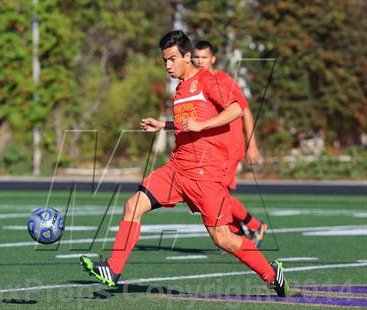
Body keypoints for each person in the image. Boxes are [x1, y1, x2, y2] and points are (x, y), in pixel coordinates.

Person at [80, 30, 289, 297]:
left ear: (187, 56)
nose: (168, 65)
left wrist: (204, 124)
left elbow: (236, 108)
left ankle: (272, 275)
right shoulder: (180, 88)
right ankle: (113, 269)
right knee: (133, 205)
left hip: (205, 174)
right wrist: (164, 125)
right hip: (178, 168)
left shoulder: (208, 81)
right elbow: (188, 123)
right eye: (165, 60)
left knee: (222, 238)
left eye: (173, 59)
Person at [193, 40, 267, 247]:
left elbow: (245, 110)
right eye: (196, 57)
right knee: (210, 194)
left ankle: (253, 226)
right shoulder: (194, 82)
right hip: (212, 149)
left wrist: (252, 144)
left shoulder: (222, 80)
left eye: (204, 57)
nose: (199, 61)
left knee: (217, 193)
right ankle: (238, 234)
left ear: (213, 59)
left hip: (230, 146)